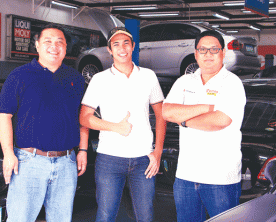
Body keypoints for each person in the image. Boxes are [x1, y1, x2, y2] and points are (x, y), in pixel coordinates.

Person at [0, 24, 88, 222]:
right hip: (28, 162)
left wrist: (83, 150)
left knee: (61, 219)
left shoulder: (76, 79)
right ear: (37, 46)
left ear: (66, 48)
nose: (54, 46)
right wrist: (8, 153)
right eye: (48, 42)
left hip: (66, 163)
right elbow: (4, 115)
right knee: (20, 218)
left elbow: (82, 118)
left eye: (60, 42)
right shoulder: (19, 76)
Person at [80, 27, 166, 222]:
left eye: (126, 43)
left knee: (145, 216)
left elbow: (162, 116)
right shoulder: (99, 79)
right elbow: (84, 117)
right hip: (109, 159)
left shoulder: (148, 76)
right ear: (109, 50)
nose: (122, 48)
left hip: (144, 159)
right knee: (106, 216)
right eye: (116, 44)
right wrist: (115, 127)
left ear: (133, 46)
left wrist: (158, 153)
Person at [162, 30, 246, 222]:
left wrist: (183, 119)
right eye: (203, 49)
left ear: (223, 53)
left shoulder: (232, 83)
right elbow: (167, 112)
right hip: (185, 176)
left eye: (214, 49)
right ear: (196, 54)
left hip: (221, 179)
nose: (208, 54)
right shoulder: (184, 81)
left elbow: (220, 121)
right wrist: (207, 107)